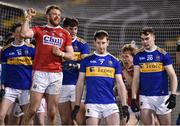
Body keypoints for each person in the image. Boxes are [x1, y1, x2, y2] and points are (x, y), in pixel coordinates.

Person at [20, 5, 74, 125]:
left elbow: (71, 55)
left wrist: (60, 53)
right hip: (40, 73)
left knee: (52, 112)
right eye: (54, 14)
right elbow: (23, 34)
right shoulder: (39, 29)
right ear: (48, 16)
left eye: (59, 15)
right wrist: (28, 18)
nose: (57, 17)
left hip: (56, 75)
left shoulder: (65, 33)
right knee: (33, 109)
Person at [71, 30, 129, 125]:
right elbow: (80, 82)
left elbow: (120, 83)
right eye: (98, 43)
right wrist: (77, 105)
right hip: (92, 103)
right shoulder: (86, 60)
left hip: (110, 103)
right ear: (94, 43)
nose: (101, 46)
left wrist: (124, 105)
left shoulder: (115, 61)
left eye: (103, 43)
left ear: (108, 43)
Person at [131, 27, 178, 125]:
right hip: (145, 97)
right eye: (142, 39)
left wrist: (173, 95)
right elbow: (135, 79)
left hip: (162, 97)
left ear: (154, 37)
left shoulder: (163, 54)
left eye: (147, 38)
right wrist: (133, 98)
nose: (144, 41)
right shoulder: (138, 56)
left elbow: (173, 76)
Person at [0, 23, 35, 125]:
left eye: (23, 32)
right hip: (10, 88)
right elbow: (4, 68)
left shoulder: (32, 49)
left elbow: (36, 69)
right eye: (19, 32)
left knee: (28, 118)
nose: (21, 34)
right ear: (13, 34)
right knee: (1, 116)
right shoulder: (5, 50)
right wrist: (2, 82)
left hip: (26, 88)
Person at [58, 17, 89, 125]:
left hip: (76, 85)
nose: (73, 32)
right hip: (60, 85)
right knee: (65, 121)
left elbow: (86, 66)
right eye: (70, 29)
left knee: (79, 121)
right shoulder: (58, 43)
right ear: (64, 29)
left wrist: (75, 65)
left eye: (75, 29)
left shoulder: (82, 44)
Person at [121, 42, 140, 125]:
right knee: (126, 124)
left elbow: (134, 85)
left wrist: (123, 70)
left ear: (134, 58)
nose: (124, 59)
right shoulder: (121, 72)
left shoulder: (139, 70)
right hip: (131, 106)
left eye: (127, 56)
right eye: (123, 57)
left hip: (143, 105)